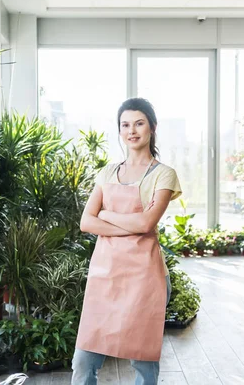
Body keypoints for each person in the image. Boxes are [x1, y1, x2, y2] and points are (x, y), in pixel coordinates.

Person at [71, 97, 182, 385]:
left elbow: (147, 223)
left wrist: (106, 215)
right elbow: (86, 222)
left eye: (139, 123)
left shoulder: (164, 174)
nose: (132, 130)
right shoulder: (107, 172)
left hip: (144, 279)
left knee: (143, 364)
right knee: (83, 363)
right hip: (105, 276)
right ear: (119, 130)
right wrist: (130, 226)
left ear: (152, 128)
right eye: (125, 125)